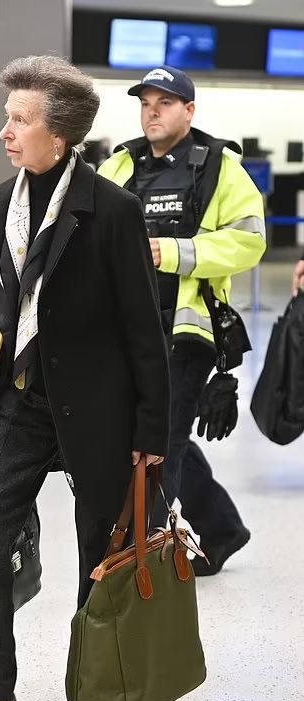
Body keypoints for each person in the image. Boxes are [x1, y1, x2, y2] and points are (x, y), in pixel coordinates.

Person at [0, 55, 170, 701]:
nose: (6, 131)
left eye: (19, 120)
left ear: (59, 133)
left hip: (99, 409)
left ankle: (96, 693)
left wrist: (151, 428)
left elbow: (143, 329)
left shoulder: (113, 211)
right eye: (7, 116)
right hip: (16, 401)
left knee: (99, 547)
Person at [98, 65, 266, 576]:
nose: (152, 110)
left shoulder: (219, 166)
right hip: (127, 332)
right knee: (157, 436)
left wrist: (170, 251)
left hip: (186, 331)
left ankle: (143, 562)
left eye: (164, 102)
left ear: (188, 111)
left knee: (158, 445)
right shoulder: (119, 165)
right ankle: (219, 529)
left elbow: (250, 240)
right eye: (145, 102)